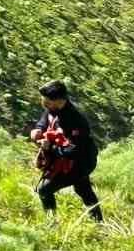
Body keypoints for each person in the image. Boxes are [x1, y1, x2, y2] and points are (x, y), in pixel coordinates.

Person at [30, 80, 103, 222]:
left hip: (80, 163)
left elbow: (74, 150)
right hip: (68, 160)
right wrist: (38, 129)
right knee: (83, 189)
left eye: (47, 102)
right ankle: (99, 222)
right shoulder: (53, 109)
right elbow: (45, 119)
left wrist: (49, 148)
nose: (44, 104)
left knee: (44, 190)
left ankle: (52, 224)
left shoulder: (76, 120)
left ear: (59, 100)